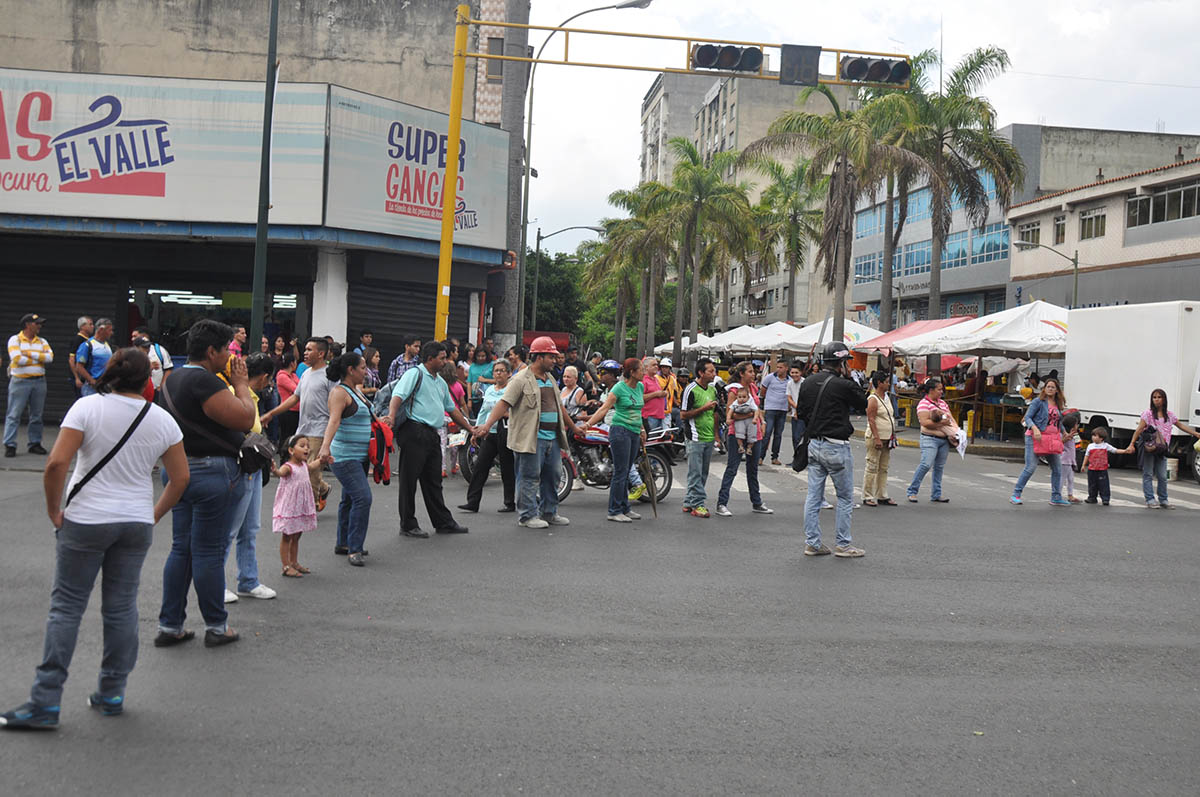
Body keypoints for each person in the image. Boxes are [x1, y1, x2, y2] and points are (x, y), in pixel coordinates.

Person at [0, 347, 188, 730]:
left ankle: (45, 701)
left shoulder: (87, 408)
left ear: (110, 373)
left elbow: (55, 463)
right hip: (134, 521)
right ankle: (112, 692)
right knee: (121, 608)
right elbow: (181, 478)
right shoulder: (163, 420)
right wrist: (151, 515)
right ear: (146, 380)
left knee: (67, 607)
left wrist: (55, 510)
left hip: (86, 518)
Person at [155, 319, 256, 648]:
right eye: (225, 349)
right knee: (208, 551)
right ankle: (216, 625)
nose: (229, 355)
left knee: (181, 548)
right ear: (211, 351)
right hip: (212, 472)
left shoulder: (172, 381)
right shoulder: (205, 382)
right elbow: (245, 419)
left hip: (179, 470)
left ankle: (171, 625)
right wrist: (241, 384)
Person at [476, 336, 579, 528]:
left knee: (553, 476)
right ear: (539, 357)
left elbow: (559, 408)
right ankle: (527, 515)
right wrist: (487, 425)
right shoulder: (520, 379)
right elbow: (503, 404)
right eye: (551, 357)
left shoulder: (550, 379)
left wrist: (574, 428)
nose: (554, 361)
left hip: (552, 438)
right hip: (531, 438)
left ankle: (549, 512)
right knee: (529, 477)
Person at [388, 341, 474, 537]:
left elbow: (452, 410)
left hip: (432, 434)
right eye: (442, 358)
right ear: (430, 359)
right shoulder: (415, 374)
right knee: (409, 481)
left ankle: (443, 522)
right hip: (414, 432)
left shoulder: (440, 382)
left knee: (433, 481)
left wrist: (469, 427)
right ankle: (408, 524)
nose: (445, 362)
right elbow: (397, 396)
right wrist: (391, 417)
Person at [798, 342, 868, 558]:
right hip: (836, 446)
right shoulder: (843, 384)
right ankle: (843, 545)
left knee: (813, 496)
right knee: (845, 498)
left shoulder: (807, 382)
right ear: (841, 363)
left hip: (814, 444)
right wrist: (848, 377)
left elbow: (801, 412)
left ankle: (813, 543)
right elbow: (863, 402)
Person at [222, 353, 278, 603]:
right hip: (240, 468)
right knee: (230, 528)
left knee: (250, 527)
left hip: (252, 468)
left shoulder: (249, 397)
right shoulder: (235, 394)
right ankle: (217, 582)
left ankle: (248, 579)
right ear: (265, 377)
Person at [261, 338, 332, 510]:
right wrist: (272, 413)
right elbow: (295, 398)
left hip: (320, 429)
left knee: (311, 469)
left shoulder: (330, 375)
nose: (305, 353)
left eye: (309, 350)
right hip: (303, 428)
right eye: (305, 349)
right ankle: (323, 488)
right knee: (303, 466)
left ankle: (312, 505)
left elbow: (336, 405)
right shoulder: (306, 373)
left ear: (321, 354)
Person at [318, 352, 374, 565]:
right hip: (344, 456)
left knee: (349, 499)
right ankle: (355, 548)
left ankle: (343, 543)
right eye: (362, 367)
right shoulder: (339, 393)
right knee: (363, 498)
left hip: (360, 456)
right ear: (350, 370)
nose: (365, 371)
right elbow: (333, 421)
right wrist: (325, 448)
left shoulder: (356, 391)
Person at [580, 357, 646, 523]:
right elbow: (604, 409)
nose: (644, 372)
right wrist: (588, 424)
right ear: (632, 372)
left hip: (634, 433)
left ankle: (625, 508)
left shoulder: (640, 386)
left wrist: (642, 429)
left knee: (626, 470)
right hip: (620, 432)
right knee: (620, 472)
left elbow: (639, 410)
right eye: (641, 369)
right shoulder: (618, 388)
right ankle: (614, 510)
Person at [714, 362, 773, 519]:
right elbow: (730, 414)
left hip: (754, 433)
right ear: (741, 374)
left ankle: (757, 502)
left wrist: (763, 421)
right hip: (737, 434)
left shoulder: (753, 388)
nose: (753, 375)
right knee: (732, 467)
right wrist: (750, 416)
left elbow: (758, 408)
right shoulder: (734, 391)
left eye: (753, 372)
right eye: (750, 372)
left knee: (752, 469)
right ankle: (722, 503)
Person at [459, 359, 516, 514]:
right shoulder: (490, 390)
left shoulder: (512, 390)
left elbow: (513, 412)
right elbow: (484, 411)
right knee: (480, 467)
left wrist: (501, 414)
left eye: (502, 370)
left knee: (507, 468)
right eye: (496, 370)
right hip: (489, 433)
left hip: (505, 432)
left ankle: (509, 502)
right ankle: (472, 502)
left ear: (509, 373)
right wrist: (476, 431)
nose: (498, 373)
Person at [1128, 388, 1200, 509]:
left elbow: (1180, 425)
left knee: (1162, 476)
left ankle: (1163, 500)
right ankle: (1150, 499)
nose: (1156, 400)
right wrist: (1132, 443)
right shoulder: (1148, 414)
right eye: (1154, 397)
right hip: (1149, 448)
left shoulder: (1170, 415)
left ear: (1164, 399)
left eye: (1159, 397)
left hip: (1162, 449)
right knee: (1148, 474)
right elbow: (1139, 429)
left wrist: (1196, 434)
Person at [1010, 377, 1070, 507]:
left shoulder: (1058, 404)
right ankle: (1016, 494)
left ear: (1057, 390)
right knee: (1030, 467)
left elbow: (1057, 420)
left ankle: (1056, 497)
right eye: (1048, 387)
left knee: (1057, 468)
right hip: (1035, 438)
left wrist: (1064, 431)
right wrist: (1035, 428)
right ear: (1044, 389)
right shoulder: (1038, 401)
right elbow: (1028, 417)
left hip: (1052, 439)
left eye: (1053, 387)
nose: (1050, 389)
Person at [272, 435, 324, 576]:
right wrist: (275, 470)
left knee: (297, 534)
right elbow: (280, 473)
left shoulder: (303, 466)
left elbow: (313, 466)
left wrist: (322, 460)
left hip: (300, 507)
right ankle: (286, 566)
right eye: (302, 445)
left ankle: (294, 562)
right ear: (291, 450)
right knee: (287, 536)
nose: (306, 448)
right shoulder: (288, 467)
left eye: (307, 445)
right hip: (290, 507)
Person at [5, 312, 53, 458]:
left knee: (37, 415)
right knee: (14, 414)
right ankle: (10, 444)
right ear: (27, 325)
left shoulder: (42, 341)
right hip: (20, 381)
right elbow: (17, 358)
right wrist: (39, 358)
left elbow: (50, 358)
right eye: (37, 323)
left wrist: (29, 354)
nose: (40, 326)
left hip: (39, 381)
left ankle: (35, 443)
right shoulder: (15, 340)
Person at [906, 378, 961, 503]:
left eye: (942, 389)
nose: (941, 392)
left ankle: (936, 493)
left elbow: (951, 419)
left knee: (939, 467)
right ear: (931, 390)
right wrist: (943, 423)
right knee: (925, 464)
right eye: (939, 389)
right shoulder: (923, 404)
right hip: (929, 439)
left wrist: (956, 432)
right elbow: (925, 423)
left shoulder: (942, 403)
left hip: (944, 440)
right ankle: (912, 491)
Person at [680, 358, 719, 517]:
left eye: (714, 370)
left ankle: (690, 501)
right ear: (701, 373)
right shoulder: (690, 389)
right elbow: (683, 414)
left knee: (703, 472)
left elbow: (715, 413)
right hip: (695, 437)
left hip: (709, 436)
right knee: (695, 472)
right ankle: (698, 504)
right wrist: (703, 408)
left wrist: (717, 435)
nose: (714, 373)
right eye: (710, 371)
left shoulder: (712, 390)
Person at [862, 371, 898, 507]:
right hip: (876, 438)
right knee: (872, 467)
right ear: (879, 383)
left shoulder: (886, 397)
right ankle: (867, 496)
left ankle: (882, 495)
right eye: (887, 381)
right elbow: (871, 419)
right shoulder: (873, 399)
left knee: (883, 468)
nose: (889, 384)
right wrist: (877, 438)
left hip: (887, 438)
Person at [1084, 427, 1128, 506]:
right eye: (1093, 435)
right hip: (1092, 469)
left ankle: (1105, 499)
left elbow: (1115, 450)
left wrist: (1125, 451)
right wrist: (1083, 465)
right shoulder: (1090, 446)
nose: (1093, 437)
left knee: (1103, 484)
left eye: (1095, 435)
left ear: (1101, 438)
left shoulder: (1105, 446)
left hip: (1102, 469)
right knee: (1092, 484)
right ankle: (1092, 497)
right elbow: (1086, 456)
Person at [759, 359, 791, 466]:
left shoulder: (789, 380)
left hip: (783, 409)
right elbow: (763, 390)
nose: (778, 369)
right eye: (777, 367)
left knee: (778, 435)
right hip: (771, 408)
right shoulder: (770, 378)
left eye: (781, 367)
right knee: (767, 433)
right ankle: (760, 457)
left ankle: (775, 457)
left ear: (786, 368)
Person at [440, 360, 468, 477]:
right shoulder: (458, 386)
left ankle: (442, 468)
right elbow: (462, 403)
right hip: (454, 418)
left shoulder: (440, 385)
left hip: (441, 417)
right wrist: (466, 416)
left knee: (441, 444)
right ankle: (453, 466)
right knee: (454, 444)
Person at [74, 317, 114, 397]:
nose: (111, 333)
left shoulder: (108, 345)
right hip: (91, 388)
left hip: (106, 386)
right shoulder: (87, 345)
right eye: (109, 330)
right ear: (101, 330)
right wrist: (92, 381)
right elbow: (79, 367)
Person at [132, 326, 173, 393]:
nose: (132, 339)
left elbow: (168, 369)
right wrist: (150, 367)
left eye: (135, 336)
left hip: (156, 390)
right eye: (144, 347)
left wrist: (162, 387)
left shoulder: (159, 350)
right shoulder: (131, 355)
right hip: (138, 391)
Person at [725, 382, 759, 456]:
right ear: (737, 397)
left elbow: (756, 410)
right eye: (739, 397)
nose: (742, 399)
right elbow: (730, 411)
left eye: (744, 397)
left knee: (752, 433)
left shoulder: (750, 402)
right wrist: (728, 419)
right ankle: (741, 446)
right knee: (739, 433)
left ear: (748, 397)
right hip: (739, 420)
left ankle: (749, 447)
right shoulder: (735, 403)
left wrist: (755, 419)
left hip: (750, 421)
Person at [274, 351, 300, 443]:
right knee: (286, 437)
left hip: (296, 410)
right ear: (292, 363)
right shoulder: (282, 376)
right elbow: (297, 389)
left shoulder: (293, 375)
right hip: (288, 411)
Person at [68, 316, 94, 398]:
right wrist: (77, 378)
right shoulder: (78, 340)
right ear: (82, 326)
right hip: (80, 378)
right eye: (90, 324)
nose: (92, 326)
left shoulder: (89, 340)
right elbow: (72, 359)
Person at [1059, 412, 1082, 503]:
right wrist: (1067, 437)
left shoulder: (1073, 435)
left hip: (1070, 460)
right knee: (1062, 478)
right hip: (1064, 460)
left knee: (1071, 479)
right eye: (1076, 424)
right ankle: (1058, 494)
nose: (1078, 426)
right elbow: (1060, 443)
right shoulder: (1064, 435)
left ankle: (1070, 495)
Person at [640, 356, 667, 434]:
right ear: (646, 367)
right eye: (653, 365)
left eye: (656, 365)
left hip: (659, 416)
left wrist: (662, 393)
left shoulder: (655, 379)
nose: (656, 367)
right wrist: (656, 394)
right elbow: (639, 397)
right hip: (649, 417)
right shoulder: (643, 380)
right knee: (650, 441)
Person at [467, 344, 496, 411]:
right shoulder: (472, 366)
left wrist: (485, 380)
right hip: (475, 399)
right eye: (478, 356)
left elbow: (498, 381)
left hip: (490, 398)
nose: (480, 358)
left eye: (483, 356)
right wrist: (469, 399)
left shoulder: (492, 365)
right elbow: (469, 383)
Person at [786, 363, 805, 456]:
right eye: (792, 372)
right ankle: (797, 458)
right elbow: (789, 397)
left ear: (801, 373)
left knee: (799, 437)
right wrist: (795, 408)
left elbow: (805, 399)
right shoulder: (789, 383)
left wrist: (798, 410)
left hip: (803, 414)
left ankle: (801, 458)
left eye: (796, 372)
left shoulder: (804, 383)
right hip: (794, 413)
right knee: (794, 437)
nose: (794, 374)